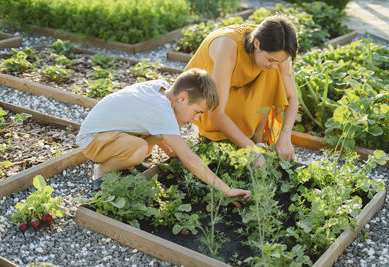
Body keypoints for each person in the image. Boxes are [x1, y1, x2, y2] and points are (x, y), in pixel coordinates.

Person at [76, 68, 251, 201]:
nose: (197, 119)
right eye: (197, 112)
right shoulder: (161, 111)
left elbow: (158, 126)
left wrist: (169, 151)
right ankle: (102, 170)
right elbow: (189, 158)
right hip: (92, 139)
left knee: (152, 142)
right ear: (182, 98)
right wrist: (226, 190)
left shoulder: (163, 90)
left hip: (112, 132)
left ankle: (126, 159)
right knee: (140, 150)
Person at [185, 15, 299, 167]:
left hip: (236, 100)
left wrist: (285, 136)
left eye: (279, 61)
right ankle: (248, 142)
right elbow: (216, 113)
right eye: (271, 60)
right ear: (256, 43)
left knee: (273, 71)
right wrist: (250, 149)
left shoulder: (275, 50)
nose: (274, 65)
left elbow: (292, 98)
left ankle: (256, 139)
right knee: (271, 70)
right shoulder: (228, 47)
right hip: (203, 101)